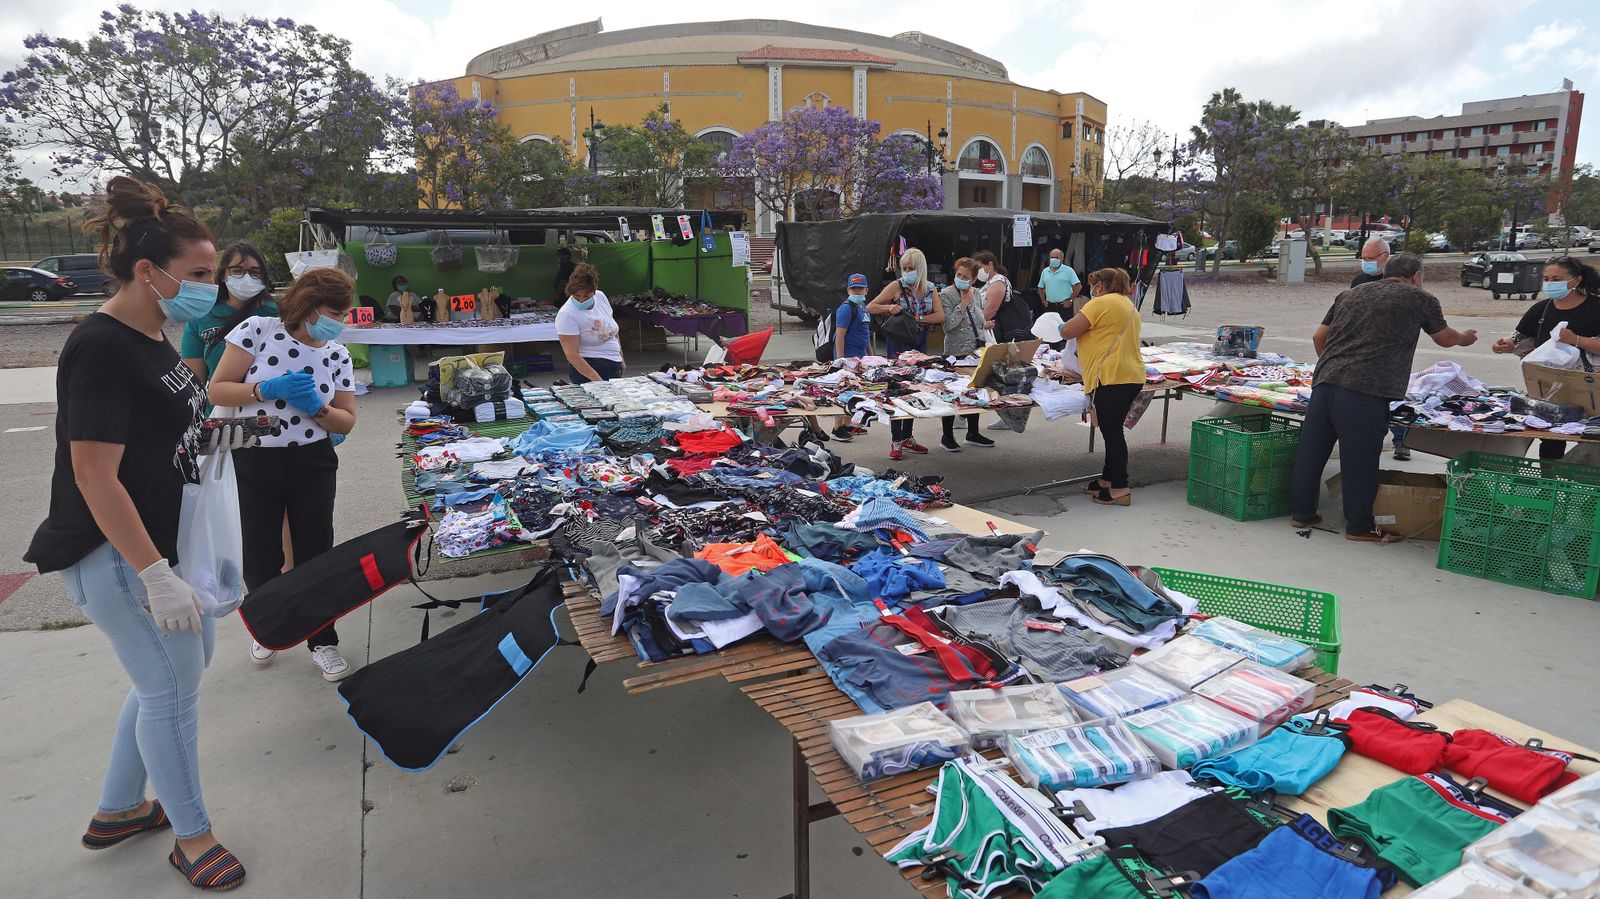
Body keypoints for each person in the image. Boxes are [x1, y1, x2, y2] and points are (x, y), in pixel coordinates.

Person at [25, 176, 250, 891]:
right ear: (149, 272)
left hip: (162, 542)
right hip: (117, 554)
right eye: (200, 274)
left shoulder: (157, 332)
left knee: (175, 671)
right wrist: (154, 571)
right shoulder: (99, 345)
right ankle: (193, 835)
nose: (213, 287)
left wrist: (218, 431)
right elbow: (94, 474)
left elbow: (165, 423)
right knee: (170, 690)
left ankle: (121, 808)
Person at [208, 268, 359, 680]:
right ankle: (269, 627)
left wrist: (319, 409)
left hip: (312, 461)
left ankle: (323, 641)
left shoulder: (336, 354)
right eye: (332, 312)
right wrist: (265, 391)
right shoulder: (258, 330)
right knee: (260, 556)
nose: (338, 322)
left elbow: (347, 421)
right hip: (253, 457)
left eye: (343, 314)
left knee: (316, 553)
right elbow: (217, 388)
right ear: (307, 305)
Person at [1291, 252, 1478, 541]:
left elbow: (1319, 337)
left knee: (1311, 454)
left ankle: (1302, 513)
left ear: (1384, 270)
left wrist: (1334, 365)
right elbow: (1445, 338)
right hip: (1366, 391)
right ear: (1416, 276)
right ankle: (1359, 526)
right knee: (1361, 460)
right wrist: (1466, 336)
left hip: (1326, 383)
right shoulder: (1420, 298)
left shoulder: (1349, 294)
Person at [1052, 268, 1145, 507]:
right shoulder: (1127, 304)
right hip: (1130, 375)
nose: (1092, 289)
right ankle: (1107, 479)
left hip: (1112, 377)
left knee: (1113, 434)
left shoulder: (1100, 303)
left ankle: (1120, 488)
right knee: (1111, 430)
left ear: (1100, 286)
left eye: (1094, 284)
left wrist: (1056, 326)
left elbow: (1069, 330)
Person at [1492, 256, 1600, 460]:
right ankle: (1548, 483)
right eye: (1547, 279)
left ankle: (1583, 487)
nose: (1550, 284)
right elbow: (1519, 338)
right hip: (1550, 389)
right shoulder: (1541, 309)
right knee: (1550, 437)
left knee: (1591, 439)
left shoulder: (1596, 308)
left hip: (1592, 390)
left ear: (1576, 281)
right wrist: (1505, 345)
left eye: (1556, 279)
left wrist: (1576, 340)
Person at [867, 248, 943, 460]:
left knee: (915, 389)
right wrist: (889, 308)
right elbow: (871, 307)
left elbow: (940, 315)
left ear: (921, 268)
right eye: (905, 268)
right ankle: (896, 439)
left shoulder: (929, 288)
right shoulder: (896, 286)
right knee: (897, 390)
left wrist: (919, 320)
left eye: (912, 268)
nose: (908, 272)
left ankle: (907, 436)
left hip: (919, 342)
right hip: (898, 342)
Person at [1349, 236, 1412, 460]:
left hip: (1390, 353)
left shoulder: (1402, 282)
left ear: (1385, 258)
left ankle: (1401, 440)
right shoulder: (1358, 282)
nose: (1366, 262)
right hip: (1360, 352)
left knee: (1394, 400)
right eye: (1363, 258)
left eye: (1370, 258)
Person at [179, 241, 277, 384]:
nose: (247, 277)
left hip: (269, 403)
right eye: (238, 271)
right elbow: (194, 382)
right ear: (223, 274)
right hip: (218, 405)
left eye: (255, 272)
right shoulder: (203, 315)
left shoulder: (279, 315)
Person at [935, 256, 995, 452]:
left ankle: (973, 432)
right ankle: (947, 435)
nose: (960, 278)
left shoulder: (977, 294)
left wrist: (985, 325)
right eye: (958, 274)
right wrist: (963, 303)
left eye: (965, 276)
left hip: (974, 351)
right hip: (955, 351)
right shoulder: (946, 294)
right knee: (951, 393)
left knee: (974, 390)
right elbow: (948, 325)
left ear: (974, 279)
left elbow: (978, 319)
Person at [555, 262, 625, 383]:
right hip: (588, 369)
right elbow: (572, 354)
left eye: (586, 296)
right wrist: (596, 379)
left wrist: (621, 358)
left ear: (594, 290)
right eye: (577, 296)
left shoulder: (601, 297)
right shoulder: (566, 314)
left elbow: (613, 331)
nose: (582, 300)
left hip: (613, 365)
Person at [826, 273, 874, 443]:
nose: (857, 290)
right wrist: (841, 360)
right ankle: (837, 428)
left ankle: (847, 425)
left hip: (859, 358)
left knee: (856, 393)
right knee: (844, 393)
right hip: (848, 358)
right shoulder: (847, 308)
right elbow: (840, 335)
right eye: (854, 288)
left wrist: (871, 356)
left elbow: (866, 333)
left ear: (866, 290)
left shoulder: (863, 306)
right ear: (848, 290)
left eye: (860, 288)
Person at [975, 250, 1031, 343]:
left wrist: (975, 325)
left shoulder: (998, 280)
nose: (978, 272)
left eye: (980, 267)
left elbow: (992, 309)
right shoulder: (990, 282)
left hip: (998, 328)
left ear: (990, 264)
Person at [1037, 247, 1083, 318]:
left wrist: (1071, 300)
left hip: (1064, 306)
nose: (1054, 259)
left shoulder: (1069, 271)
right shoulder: (1045, 271)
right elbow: (1040, 287)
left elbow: (1078, 286)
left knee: (1064, 327)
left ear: (1062, 259)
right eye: (1052, 257)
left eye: (1057, 257)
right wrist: (1043, 300)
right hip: (1050, 306)